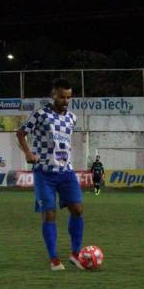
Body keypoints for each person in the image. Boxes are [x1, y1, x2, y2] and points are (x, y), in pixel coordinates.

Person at [16, 78, 85, 271]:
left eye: (68, 97)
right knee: (49, 213)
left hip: (66, 172)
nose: (65, 100)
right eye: (62, 97)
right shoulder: (40, 114)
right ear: (53, 95)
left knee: (78, 209)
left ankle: (75, 253)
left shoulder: (72, 118)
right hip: (44, 173)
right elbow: (21, 133)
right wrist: (28, 153)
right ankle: (54, 258)